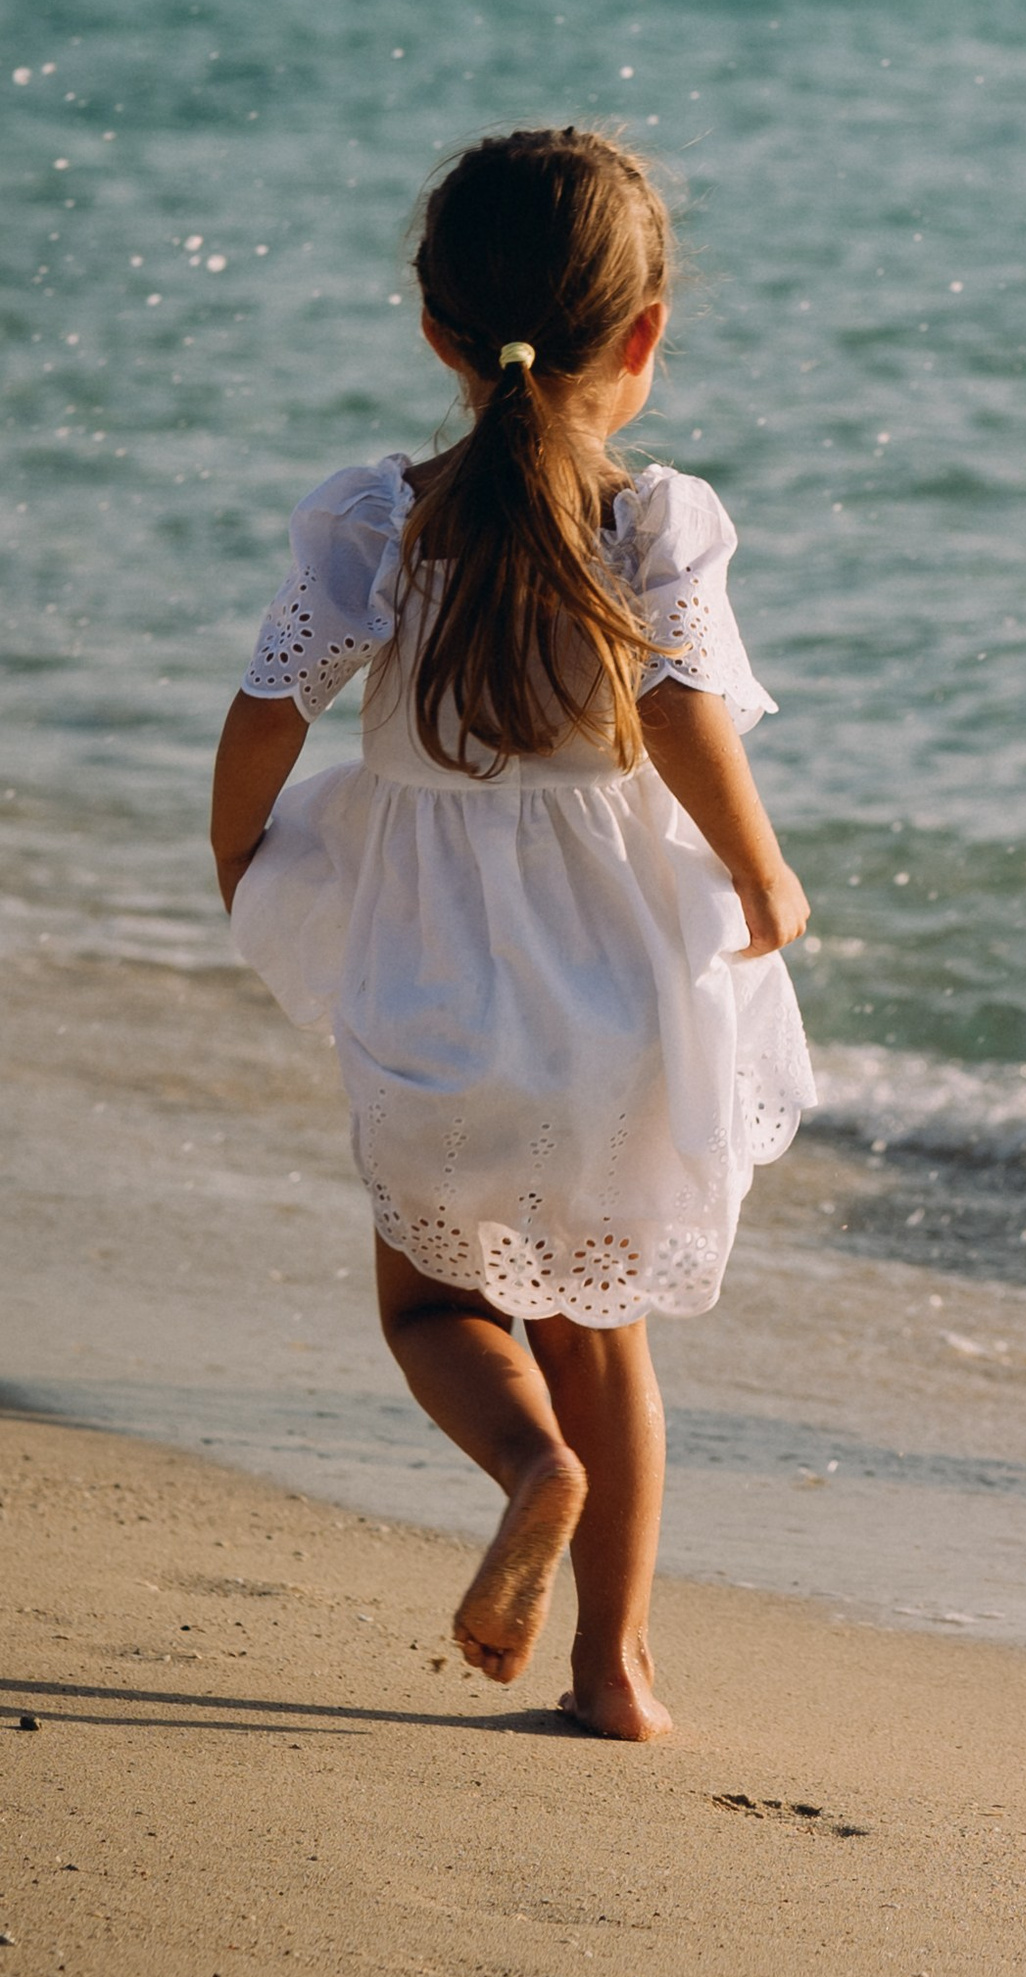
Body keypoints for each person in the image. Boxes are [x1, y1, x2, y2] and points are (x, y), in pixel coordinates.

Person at [209, 128, 810, 1737]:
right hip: (613, 991)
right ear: (647, 334)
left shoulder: (375, 522)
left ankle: (524, 1461)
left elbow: (273, 706)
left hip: (432, 985)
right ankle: (612, 1668)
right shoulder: (656, 521)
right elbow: (685, 713)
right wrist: (764, 878)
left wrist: (239, 860)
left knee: (432, 1302)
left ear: (436, 334)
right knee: (601, 1328)